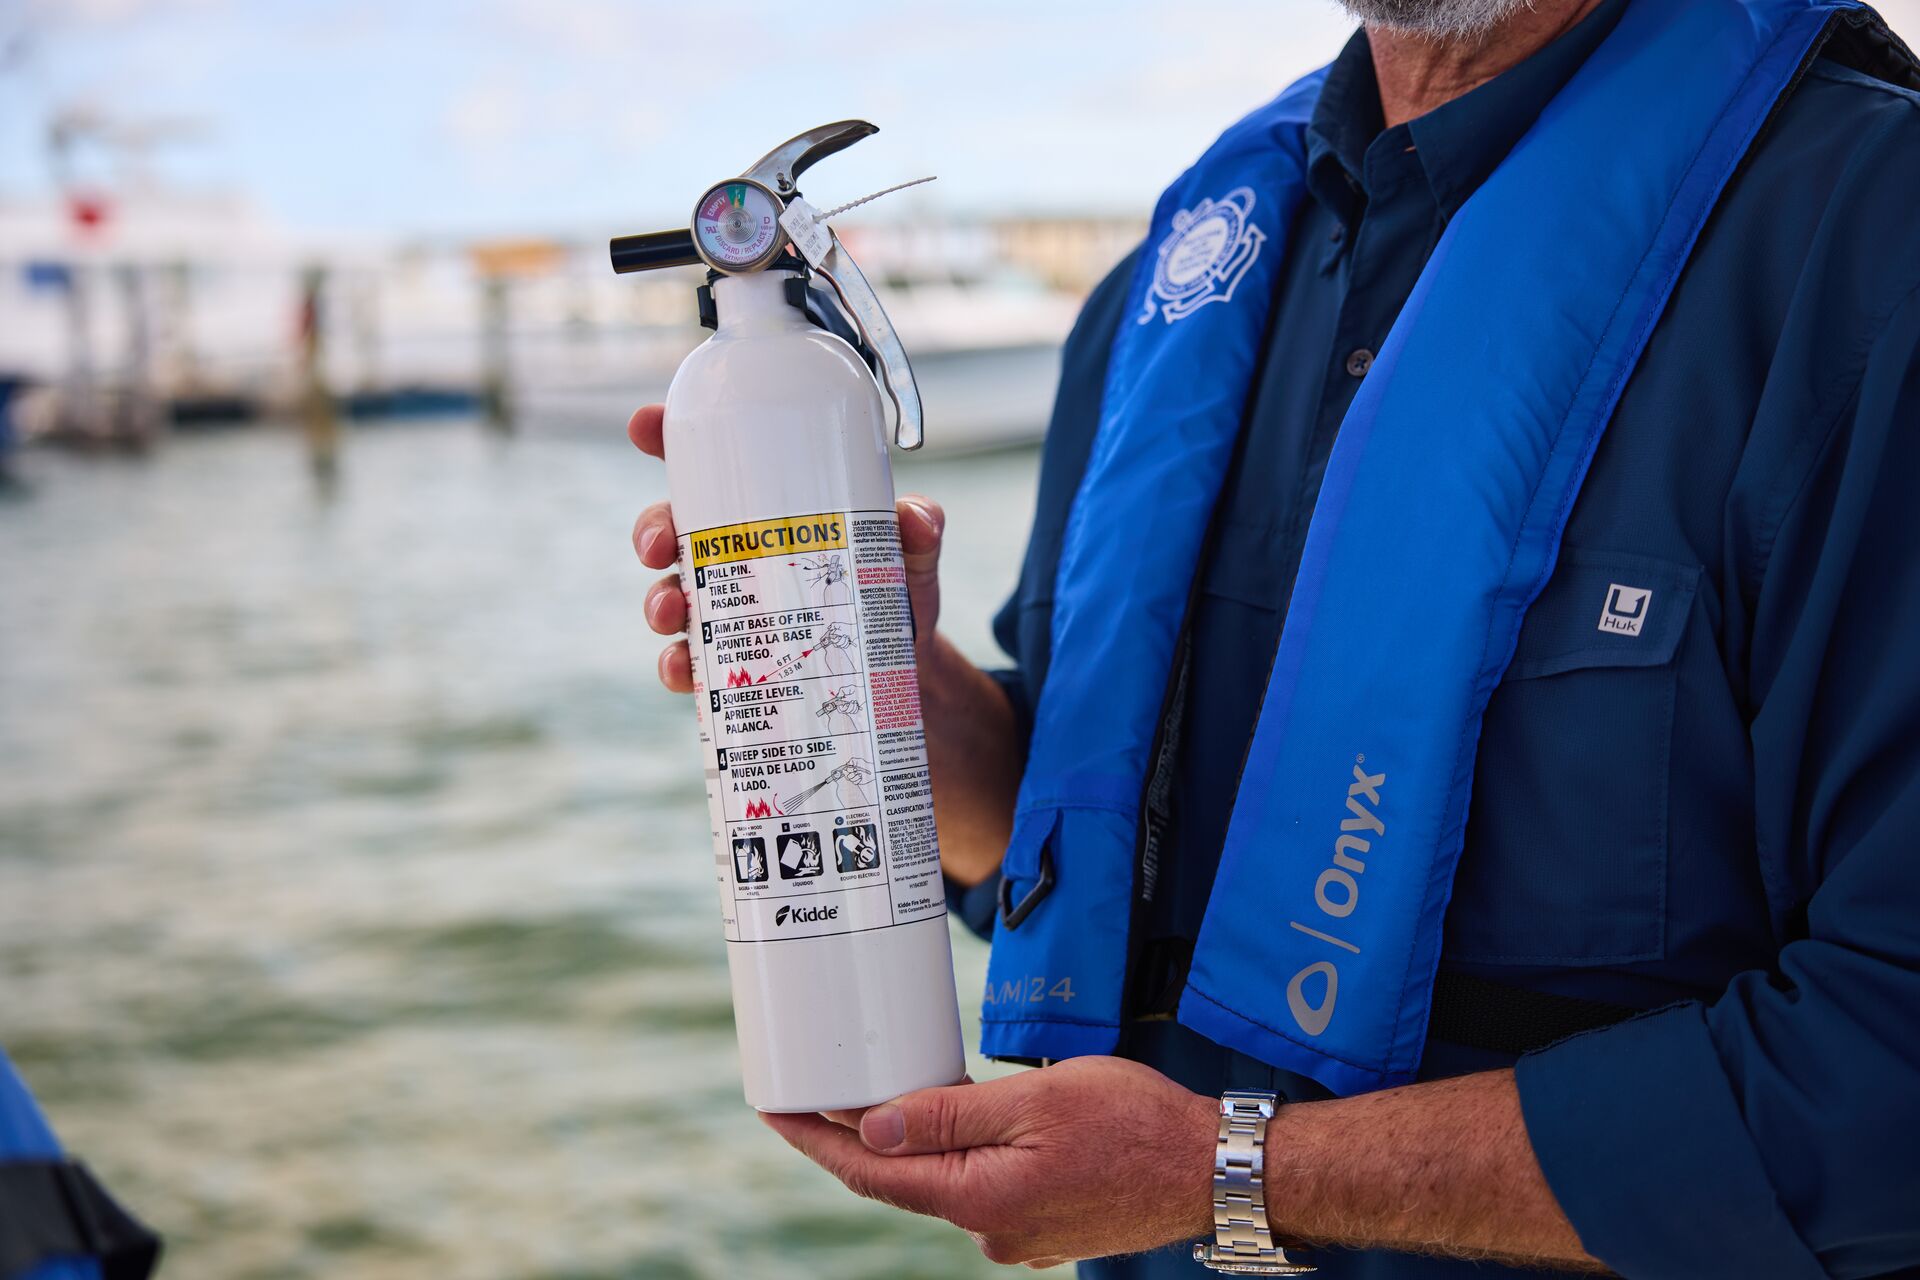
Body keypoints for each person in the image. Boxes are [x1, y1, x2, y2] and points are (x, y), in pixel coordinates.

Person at [629, 0, 1920, 1274]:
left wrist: (1227, 1176)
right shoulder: (1184, 274)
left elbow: (1889, 1073)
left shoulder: (1872, 249)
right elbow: (1074, 852)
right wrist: (898, 699)